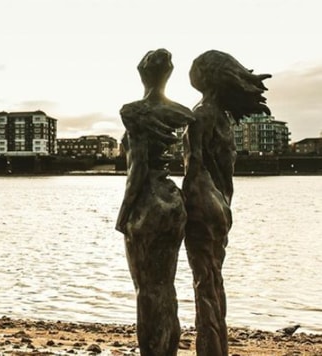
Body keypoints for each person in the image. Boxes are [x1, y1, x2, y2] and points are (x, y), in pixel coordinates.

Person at [182, 50, 271, 356]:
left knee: (204, 284)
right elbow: (225, 173)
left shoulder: (200, 115)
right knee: (214, 280)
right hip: (221, 203)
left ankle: (210, 350)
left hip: (201, 203)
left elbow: (193, 165)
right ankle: (219, 348)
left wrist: (185, 208)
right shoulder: (223, 119)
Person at [116, 48, 194, 355]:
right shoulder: (183, 113)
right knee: (166, 286)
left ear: (141, 72)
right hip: (173, 201)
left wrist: (123, 214)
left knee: (146, 291)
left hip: (146, 203)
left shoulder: (132, 112)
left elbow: (137, 168)